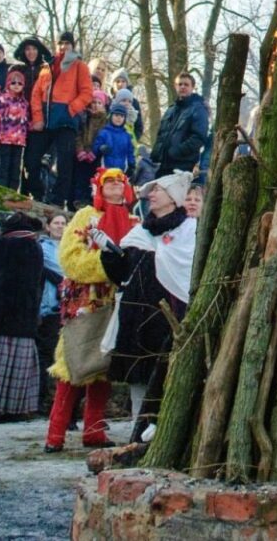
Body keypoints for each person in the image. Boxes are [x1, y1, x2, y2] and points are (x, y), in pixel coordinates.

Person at [44, 168, 135, 452]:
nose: (115, 186)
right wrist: (105, 264)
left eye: (120, 182)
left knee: (103, 367)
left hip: (116, 302)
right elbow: (70, 256)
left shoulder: (134, 220)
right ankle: (55, 435)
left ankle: (94, 432)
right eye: (109, 182)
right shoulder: (85, 216)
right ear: (99, 187)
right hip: (85, 301)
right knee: (72, 364)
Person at [103, 172, 193, 443]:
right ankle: (137, 433)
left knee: (165, 373)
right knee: (139, 377)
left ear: (173, 197)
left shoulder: (189, 231)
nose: (151, 195)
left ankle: (166, 435)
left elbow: (187, 272)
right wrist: (109, 256)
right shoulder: (140, 232)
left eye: (158, 191)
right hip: (137, 316)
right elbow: (122, 274)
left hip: (170, 315)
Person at [0, 212, 46, 424]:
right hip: (26, 314)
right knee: (19, 365)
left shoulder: (5, 243)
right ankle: (15, 410)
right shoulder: (36, 247)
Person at [33, 31, 96, 208]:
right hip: (46, 119)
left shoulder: (80, 66)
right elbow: (36, 94)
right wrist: (37, 117)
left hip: (66, 122)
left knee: (64, 163)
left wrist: (70, 109)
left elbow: (87, 93)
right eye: (61, 43)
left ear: (73, 46)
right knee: (34, 158)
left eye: (67, 43)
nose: (63, 47)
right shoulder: (47, 65)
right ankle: (38, 194)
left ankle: (58, 200)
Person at [36, 212, 67, 415]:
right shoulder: (42, 247)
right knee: (46, 355)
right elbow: (62, 269)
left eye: (63, 223)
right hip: (50, 307)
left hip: (69, 308)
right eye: (56, 223)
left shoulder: (72, 245)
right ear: (48, 226)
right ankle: (42, 400)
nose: (60, 226)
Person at [153, 70, 210, 177]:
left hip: (183, 167)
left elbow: (199, 138)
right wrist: (155, 154)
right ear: (175, 87)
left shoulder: (199, 109)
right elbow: (160, 135)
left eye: (186, 84)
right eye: (180, 84)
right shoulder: (170, 110)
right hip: (162, 166)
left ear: (192, 87)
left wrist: (176, 151)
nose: (183, 87)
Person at [14, 36, 51, 199]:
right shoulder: (17, 69)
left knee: (33, 160)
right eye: (27, 49)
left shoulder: (46, 69)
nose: (31, 52)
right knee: (18, 161)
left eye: (34, 49)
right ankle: (20, 194)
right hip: (18, 121)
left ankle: (37, 194)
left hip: (39, 121)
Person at [0, 65, 32, 191]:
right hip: (4, 139)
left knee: (16, 168)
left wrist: (30, 128)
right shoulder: (2, 100)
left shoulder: (24, 103)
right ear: (8, 84)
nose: (16, 85)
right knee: (3, 166)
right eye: (13, 83)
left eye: (20, 83)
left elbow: (25, 120)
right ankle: (1, 191)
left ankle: (13, 192)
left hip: (19, 141)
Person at [94, 103, 137, 174]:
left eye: (122, 116)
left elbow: (130, 152)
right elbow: (95, 148)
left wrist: (132, 164)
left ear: (124, 119)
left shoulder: (127, 136)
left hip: (122, 170)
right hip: (105, 169)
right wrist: (100, 148)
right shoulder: (104, 133)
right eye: (116, 115)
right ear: (111, 116)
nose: (119, 118)